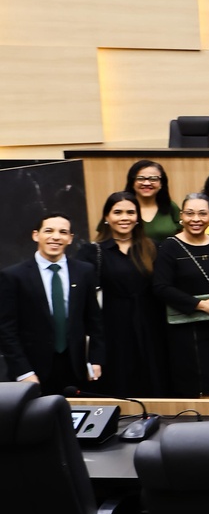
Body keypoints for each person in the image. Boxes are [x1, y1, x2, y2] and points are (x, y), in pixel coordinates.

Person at [0, 212, 104, 394]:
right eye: (49, 231)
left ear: (70, 238)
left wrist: (96, 359)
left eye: (63, 232)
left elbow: (94, 321)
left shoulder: (84, 271)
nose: (56, 237)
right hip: (33, 372)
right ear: (36, 235)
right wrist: (23, 372)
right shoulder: (14, 276)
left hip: (75, 369)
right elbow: (6, 329)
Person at [80, 192, 166, 397]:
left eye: (130, 212)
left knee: (153, 378)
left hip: (151, 325)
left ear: (138, 217)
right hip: (111, 326)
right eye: (117, 212)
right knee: (117, 380)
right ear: (107, 218)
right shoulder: (92, 251)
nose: (124, 217)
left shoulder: (152, 247)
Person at [153, 193, 209, 398]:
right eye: (190, 213)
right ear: (181, 216)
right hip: (183, 328)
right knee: (189, 383)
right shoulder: (169, 247)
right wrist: (200, 306)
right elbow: (161, 287)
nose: (196, 219)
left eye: (202, 213)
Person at [124, 159, 180, 243]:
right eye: (140, 178)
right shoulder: (120, 206)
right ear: (132, 182)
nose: (146, 183)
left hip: (166, 255)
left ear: (161, 184)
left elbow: (181, 238)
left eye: (153, 179)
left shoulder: (171, 207)